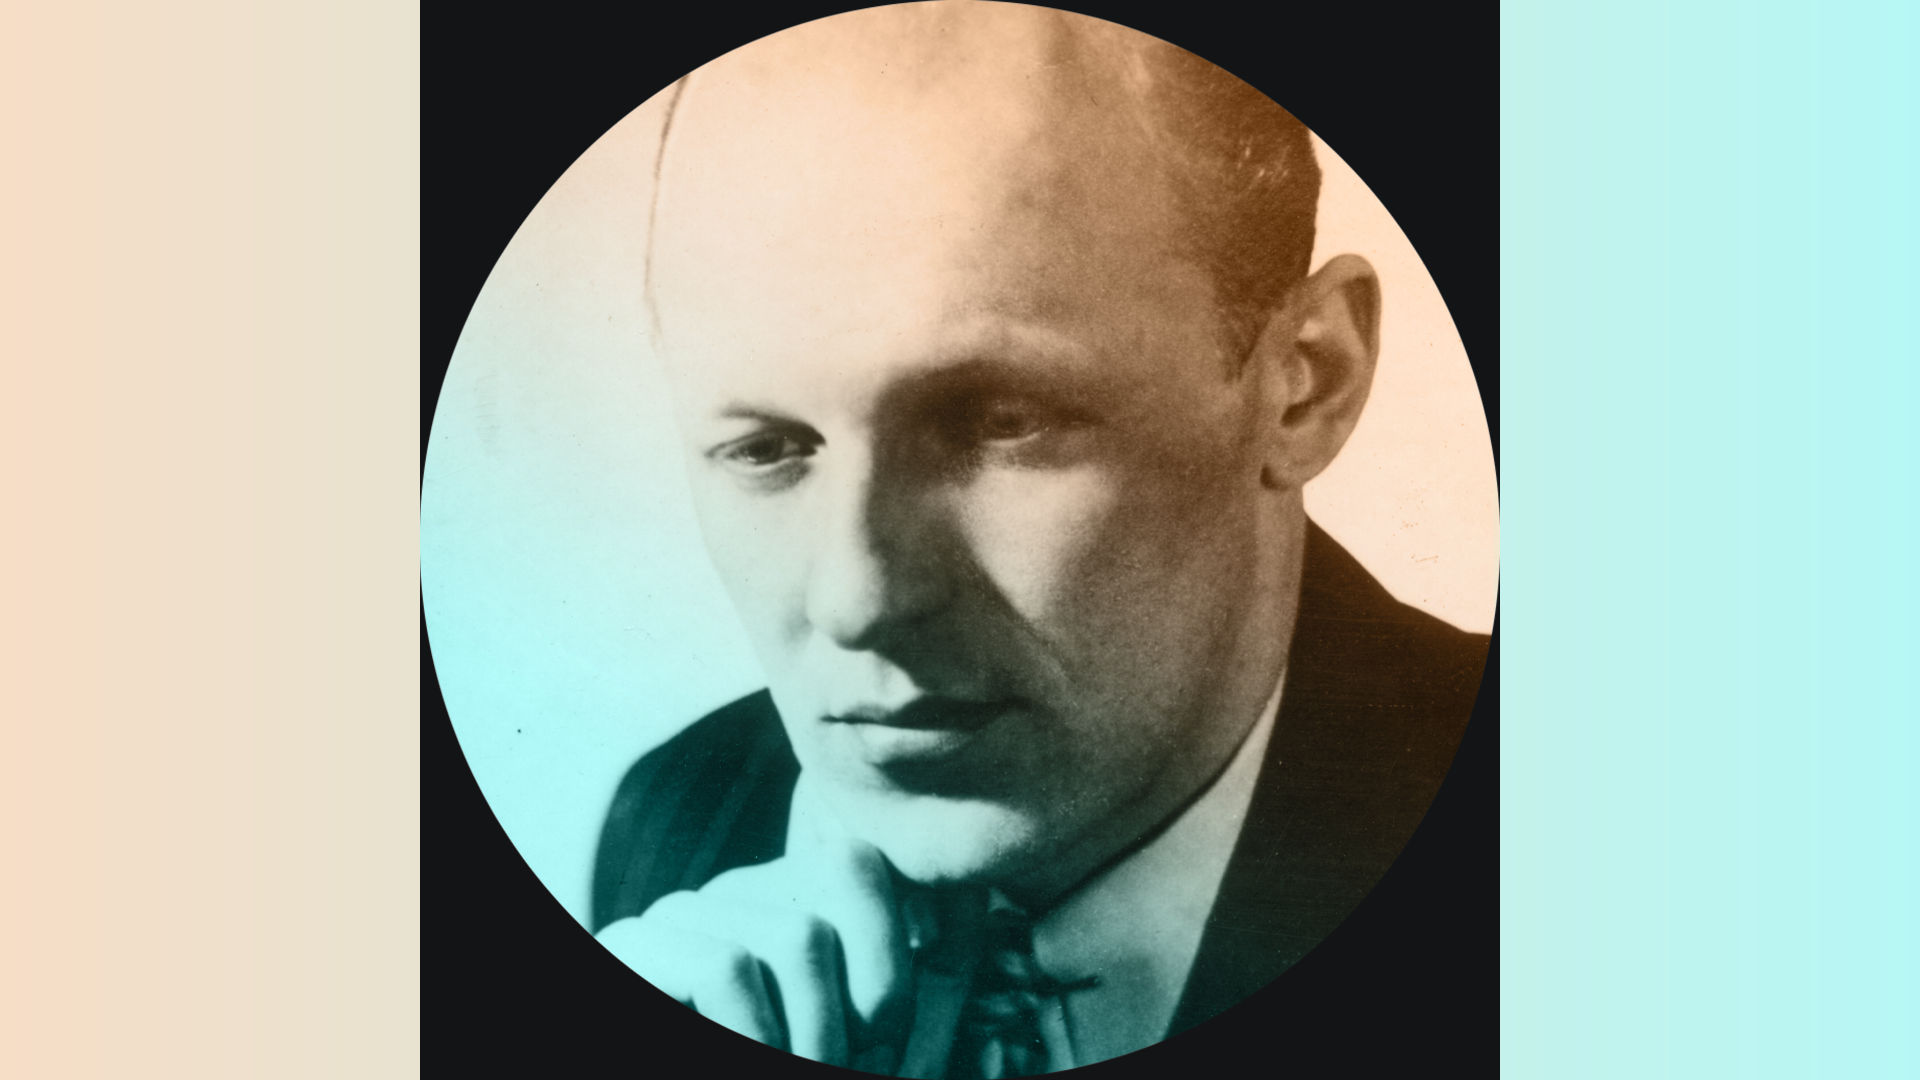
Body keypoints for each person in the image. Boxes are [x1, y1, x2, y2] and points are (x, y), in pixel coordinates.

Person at [588, 2, 1488, 1074]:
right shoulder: (684, 820)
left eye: (999, 422)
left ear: (1306, 383)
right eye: (767, 448)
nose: (858, 600)